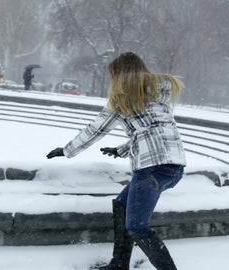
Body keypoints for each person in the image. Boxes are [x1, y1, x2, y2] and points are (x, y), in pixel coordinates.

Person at [47, 52, 186, 270]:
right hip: (174, 167)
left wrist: (66, 150)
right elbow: (152, 131)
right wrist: (122, 150)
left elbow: (95, 129)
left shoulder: (123, 97)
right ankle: (119, 264)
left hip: (150, 169)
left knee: (137, 227)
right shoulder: (160, 93)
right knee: (122, 204)